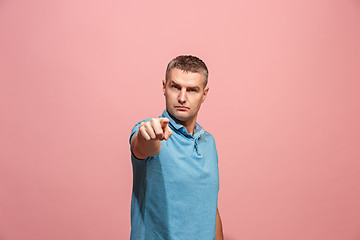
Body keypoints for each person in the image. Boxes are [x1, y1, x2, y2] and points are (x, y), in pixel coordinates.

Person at [129, 55, 223, 240]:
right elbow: (145, 146)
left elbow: (210, 206)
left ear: (204, 94)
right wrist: (149, 135)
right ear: (164, 88)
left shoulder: (208, 142)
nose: (182, 97)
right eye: (175, 87)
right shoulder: (150, 130)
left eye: (192, 90)